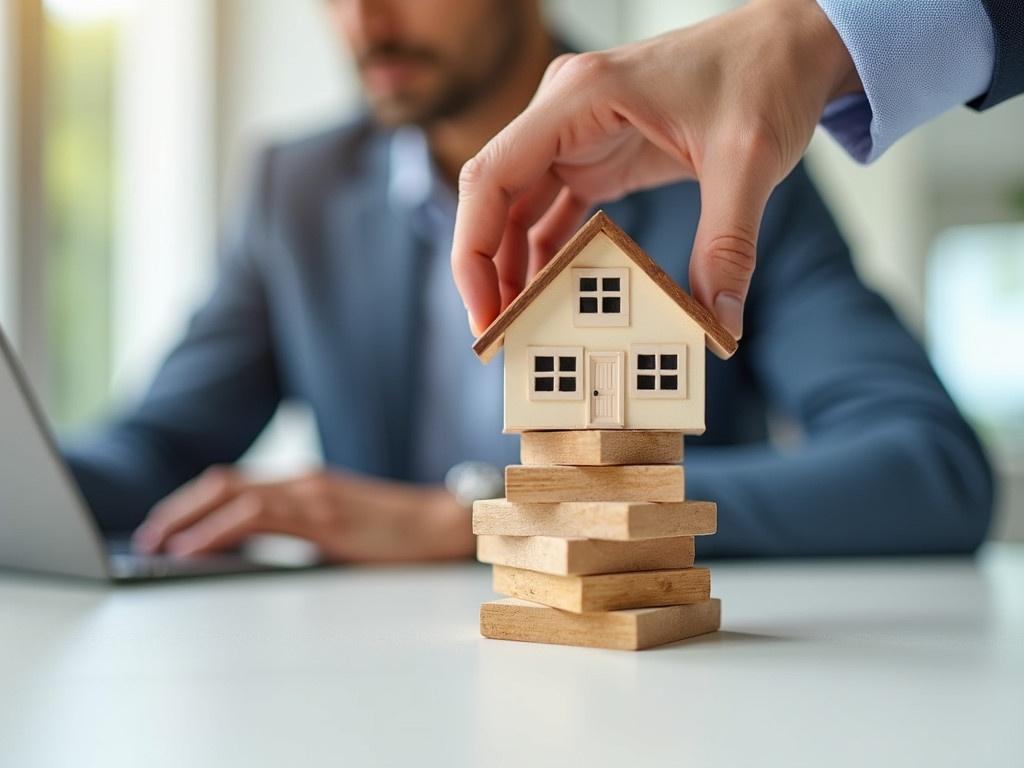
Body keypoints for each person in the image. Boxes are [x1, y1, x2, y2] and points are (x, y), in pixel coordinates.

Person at [64, 0, 994, 562]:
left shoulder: (720, 155)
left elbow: (929, 471)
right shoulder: (294, 190)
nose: (363, 19)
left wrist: (487, 515)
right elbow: (156, 448)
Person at [452, 0, 1023, 341]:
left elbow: (928, 464)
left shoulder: (748, 164)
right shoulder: (358, 212)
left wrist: (817, 38)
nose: (365, 14)